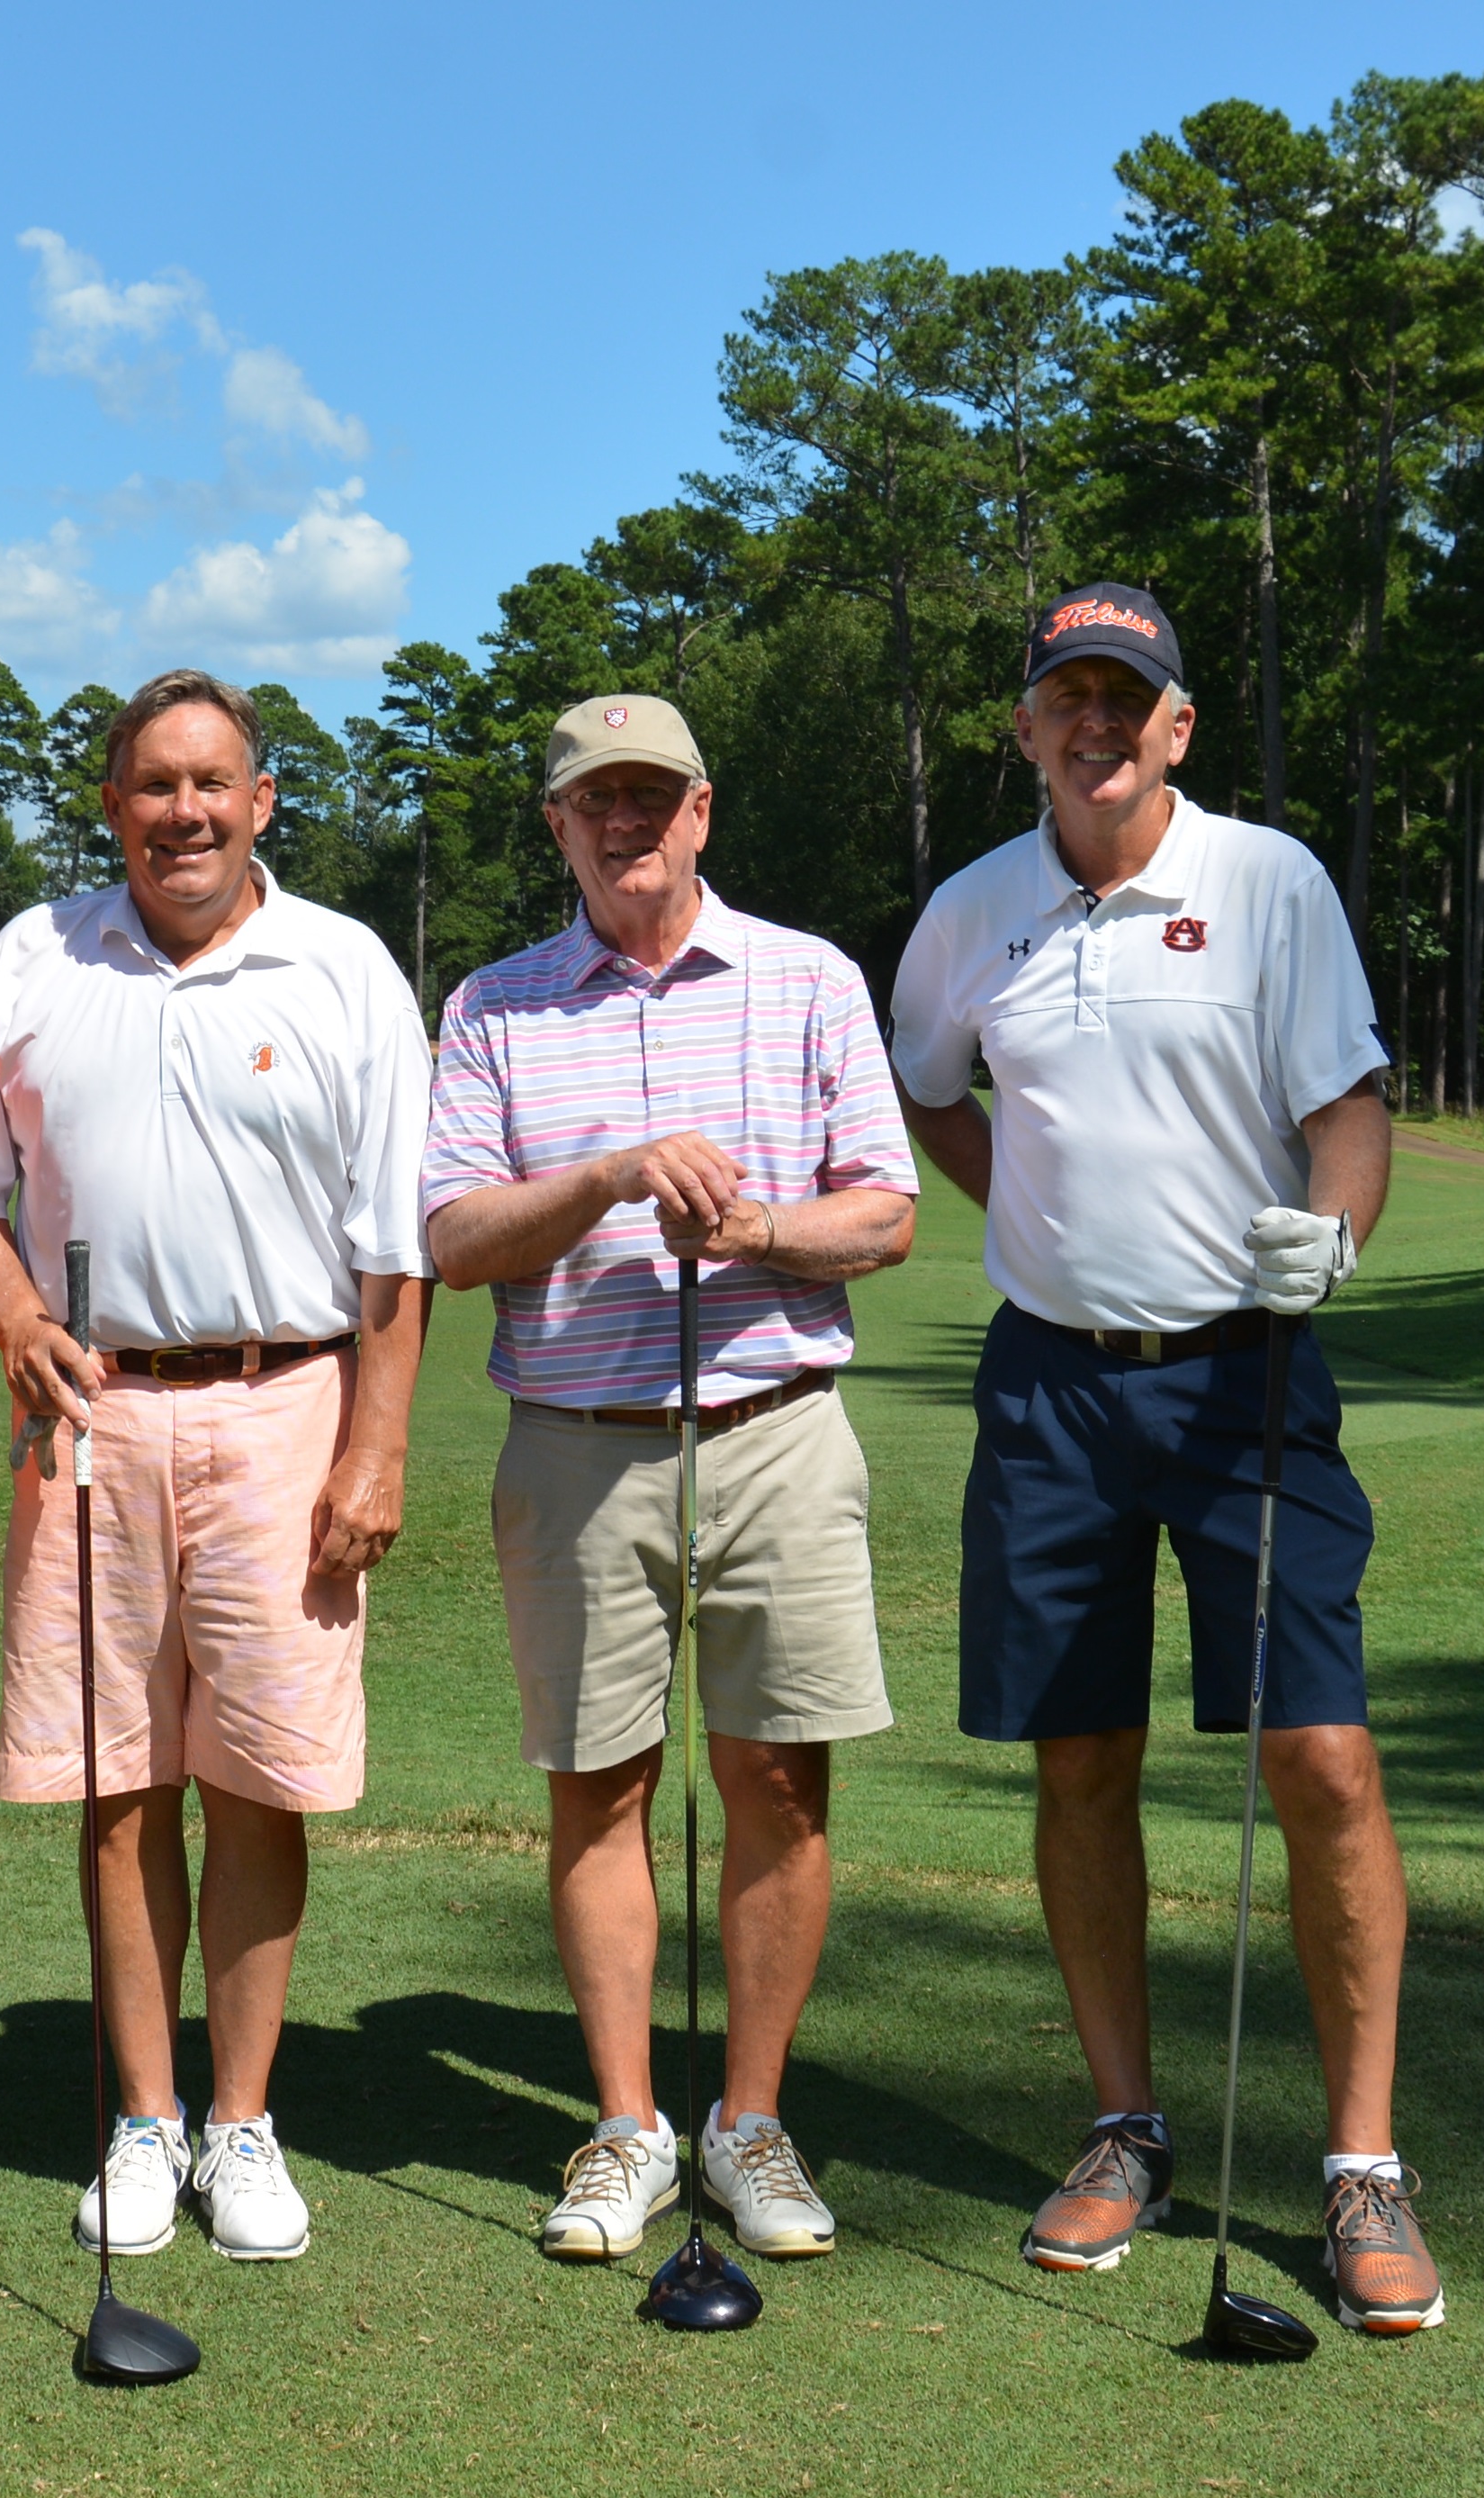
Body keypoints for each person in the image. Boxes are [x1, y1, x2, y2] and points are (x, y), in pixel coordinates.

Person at [885, 582, 1437, 2336]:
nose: (1096, 725)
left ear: (1175, 727)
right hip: (1049, 1386)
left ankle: (1359, 2162)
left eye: (1127, 698)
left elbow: (1348, 1111)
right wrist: (1026, 1216)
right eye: (1067, 698)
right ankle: (1124, 2122)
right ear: (1029, 724)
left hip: (1243, 1375)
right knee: (1077, 1763)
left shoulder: (1268, 884)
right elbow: (926, 1084)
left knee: (1322, 1760)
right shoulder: (972, 913)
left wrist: (1328, 1239)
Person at [422, 693, 917, 2268]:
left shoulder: (808, 976)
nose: (625, 823)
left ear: (702, 812)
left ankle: (750, 2121)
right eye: (593, 803)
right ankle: (629, 2125)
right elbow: (450, 1243)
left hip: (772, 1428)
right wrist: (609, 1177)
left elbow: (887, 1215)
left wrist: (756, 1230)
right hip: (577, 1445)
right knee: (598, 1783)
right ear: (557, 827)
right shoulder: (494, 1008)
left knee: (778, 1779)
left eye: (653, 797)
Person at [0, 670, 434, 2267]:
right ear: (111, 803)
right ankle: (145, 2120)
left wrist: (374, 1445)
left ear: (262, 800)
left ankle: (242, 2118)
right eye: (152, 785)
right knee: (117, 1779)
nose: (183, 813)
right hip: (89, 1412)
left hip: (284, 1405)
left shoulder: (345, 966)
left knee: (260, 1780)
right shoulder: (30, 955)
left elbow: (391, 1241)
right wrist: (16, 1313)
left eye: (212, 783)